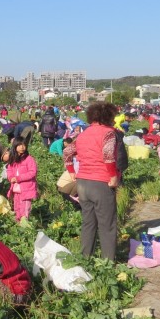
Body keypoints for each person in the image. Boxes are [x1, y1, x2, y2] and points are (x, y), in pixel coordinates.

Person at [63, 102, 120, 260]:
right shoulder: (108, 133)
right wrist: (113, 176)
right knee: (107, 225)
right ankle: (108, 262)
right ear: (108, 116)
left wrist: (71, 171)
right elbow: (108, 155)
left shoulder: (83, 133)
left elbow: (67, 151)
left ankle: (85, 259)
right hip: (101, 182)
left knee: (88, 222)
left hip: (83, 183)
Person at [5, 136, 38, 222]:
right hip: (16, 188)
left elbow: (32, 172)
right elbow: (9, 170)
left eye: (24, 145)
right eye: (19, 145)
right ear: (15, 146)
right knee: (17, 207)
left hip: (27, 188)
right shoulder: (13, 159)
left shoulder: (29, 159)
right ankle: (18, 223)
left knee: (25, 208)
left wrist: (18, 178)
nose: (22, 147)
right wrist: (11, 177)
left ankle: (25, 225)